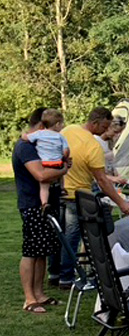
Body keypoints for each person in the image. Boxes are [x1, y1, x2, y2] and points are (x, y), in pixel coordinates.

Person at [52, 107, 129, 288]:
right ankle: (66, 278)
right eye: (104, 126)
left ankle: (54, 273)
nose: (106, 130)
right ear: (95, 122)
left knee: (59, 234)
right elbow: (102, 181)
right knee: (72, 237)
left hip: (60, 192)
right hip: (78, 196)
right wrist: (122, 203)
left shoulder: (68, 130)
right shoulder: (92, 146)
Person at [14, 110, 71, 313]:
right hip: (32, 205)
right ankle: (29, 298)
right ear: (41, 126)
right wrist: (63, 169)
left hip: (45, 204)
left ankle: (40, 294)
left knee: (42, 251)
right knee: (31, 251)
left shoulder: (36, 144)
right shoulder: (26, 147)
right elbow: (41, 175)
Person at [26, 108, 69, 210]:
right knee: (61, 175)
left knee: (44, 187)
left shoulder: (39, 134)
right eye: (62, 124)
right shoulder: (60, 136)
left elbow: (27, 138)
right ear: (57, 124)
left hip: (45, 163)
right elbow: (66, 151)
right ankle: (62, 188)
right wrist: (65, 159)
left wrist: (23, 136)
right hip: (57, 163)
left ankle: (44, 203)